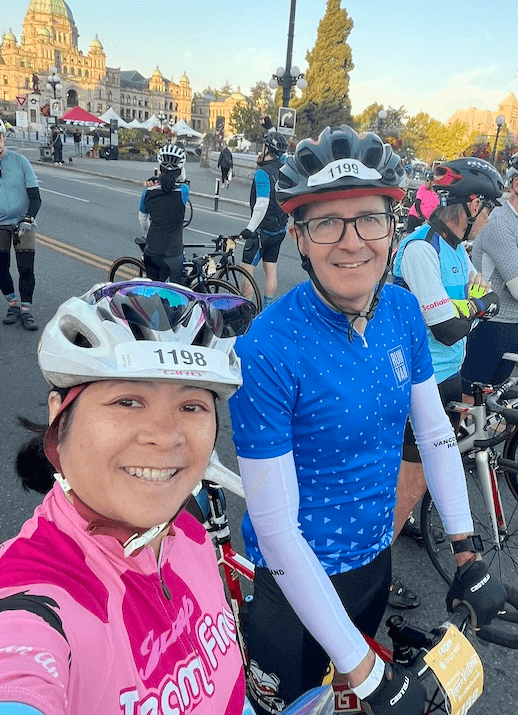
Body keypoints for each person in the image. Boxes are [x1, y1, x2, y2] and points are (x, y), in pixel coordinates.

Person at [229, 125, 506, 715]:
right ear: (301, 239)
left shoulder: (402, 310)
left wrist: (466, 548)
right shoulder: (267, 349)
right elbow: (277, 531)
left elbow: (432, 435)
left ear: (393, 225)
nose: (351, 241)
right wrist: (367, 672)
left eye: (369, 218)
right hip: (295, 586)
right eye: (326, 222)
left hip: (373, 563)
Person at [0, 279, 256, 715]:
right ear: (60, 416)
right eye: (127, 401)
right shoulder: (32, 600)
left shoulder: (188, 531)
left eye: (192, 406)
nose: (165, 436)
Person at [392, 157, 503, 540]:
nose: (489, 217)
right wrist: (477, 307)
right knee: (412, 476)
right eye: (488, 208)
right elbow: (448, 329)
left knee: (424, 470)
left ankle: (401, 519)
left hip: (448, 374)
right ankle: (375, 571)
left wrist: (475, 306)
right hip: (422, 380)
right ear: (474, 205)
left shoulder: (456, 249)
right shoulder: (423, 249)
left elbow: (484, 297)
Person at [461, 153, 518, 396]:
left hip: (511, 325)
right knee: (470, 407)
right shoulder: (500, 222)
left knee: (495, 411)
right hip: (491, 326)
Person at [0, 118, 41, 331]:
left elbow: (35, 197)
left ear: (3, 137)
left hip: (22, 222)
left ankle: (26, 310)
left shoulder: (20, 161)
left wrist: (29, 218)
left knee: (26, 268)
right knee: (0, 268)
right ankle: (13, 304)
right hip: (0, 226)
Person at [239, 131, 288, 308]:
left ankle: (246, 308)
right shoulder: (284, 172)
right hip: (279, 229)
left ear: (267, 149)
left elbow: (262, 203)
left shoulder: (263, 173)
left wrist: (250, 228)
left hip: (261, 231)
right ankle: (267, 307)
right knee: (271, 269)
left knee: (247, 269)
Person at [138, 144, 189, 283]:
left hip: (152, 250)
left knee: (153, 292)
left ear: (159, 169)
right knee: (173, 297)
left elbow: (143, 219)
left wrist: (147, 235)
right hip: (173, 253)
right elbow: (181, 181)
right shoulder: (183, 191)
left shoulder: (147, 192)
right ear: (179, 171)